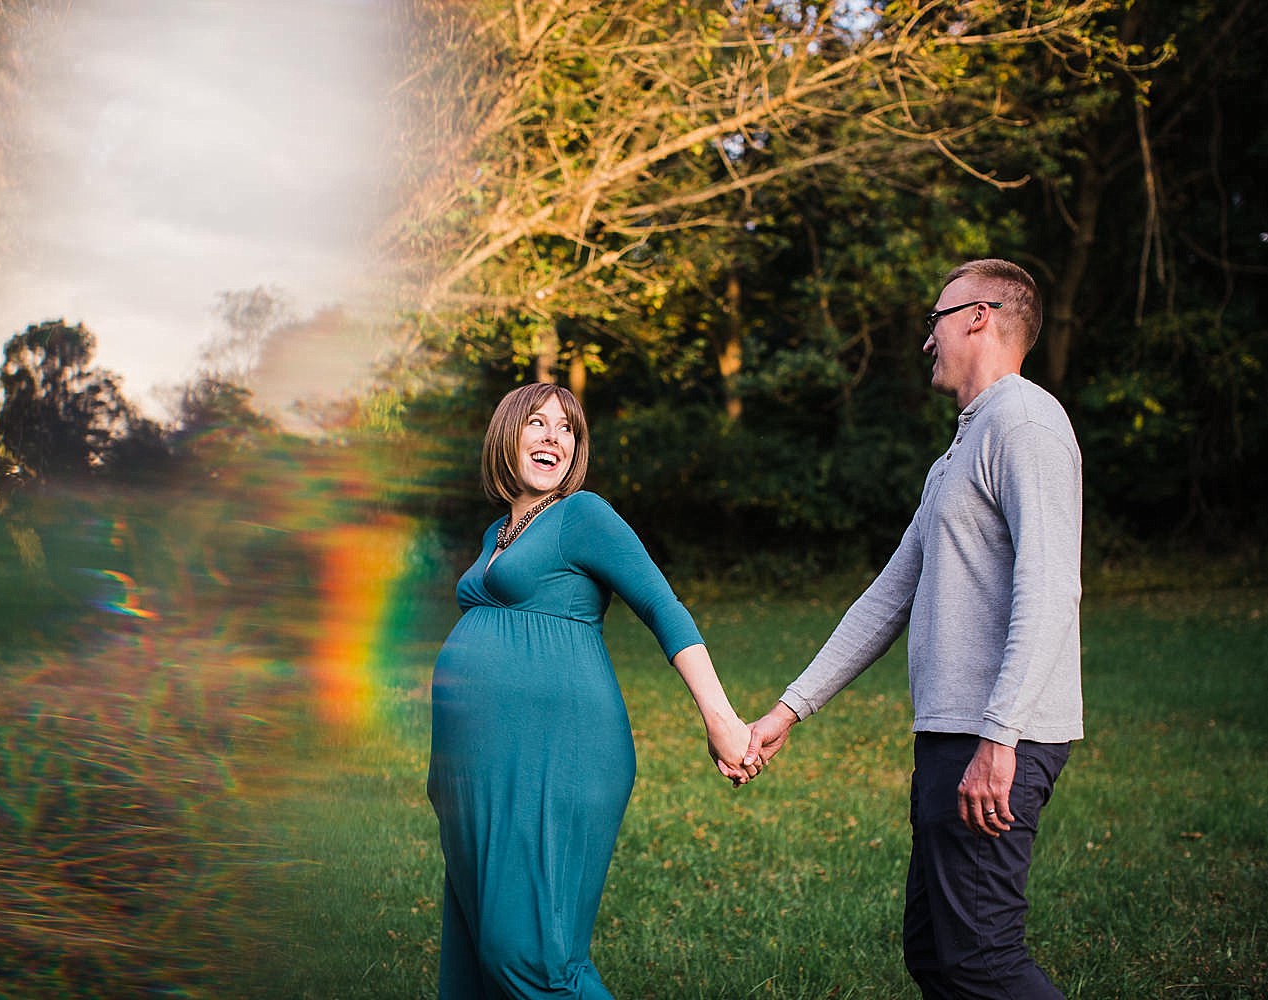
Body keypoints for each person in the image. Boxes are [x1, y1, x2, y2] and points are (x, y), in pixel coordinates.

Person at [745, 259, 1083, 998]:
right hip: (953, 733)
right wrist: (788, 710)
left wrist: (1001, 735)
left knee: (982, 961)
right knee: (934, 953)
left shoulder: (1025, 423)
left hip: (996, 737)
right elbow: (886, 599)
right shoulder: (957, 454)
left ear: (978, 316)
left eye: (935, 320)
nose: (926, 341)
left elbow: (1051, 585)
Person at [427, 382, 756, 999]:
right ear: (507, 434)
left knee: (532, 958)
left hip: (557, 752)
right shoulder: (498, 532)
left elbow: (663, 606)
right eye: (538, 423)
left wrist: (721, 718)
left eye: (568, 428)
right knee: (475, 953)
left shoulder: (583, 515)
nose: (554, 437)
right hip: (480, 768)